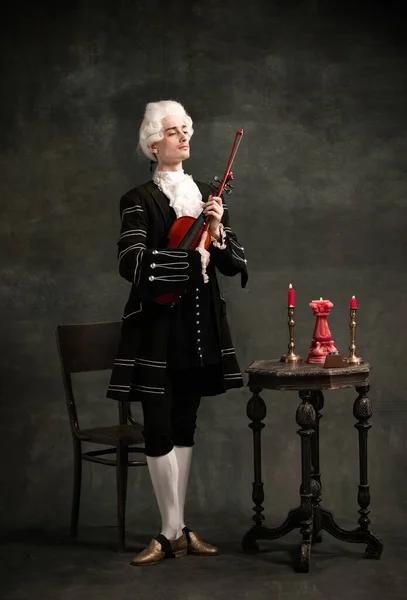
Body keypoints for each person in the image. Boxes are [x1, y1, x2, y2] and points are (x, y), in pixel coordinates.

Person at [107, 100, 248, 566]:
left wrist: (216, 229)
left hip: (201, 324)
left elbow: (233, 264)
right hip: (157, 325)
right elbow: (133, 263)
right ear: (153, 144)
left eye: (186, 129)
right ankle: (170, 530)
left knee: (185, 423)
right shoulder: (138, 200)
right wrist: (190, 261)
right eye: (172, 132)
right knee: (159, 424)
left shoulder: (209, 194)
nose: (183, 137)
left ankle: (178, 527)